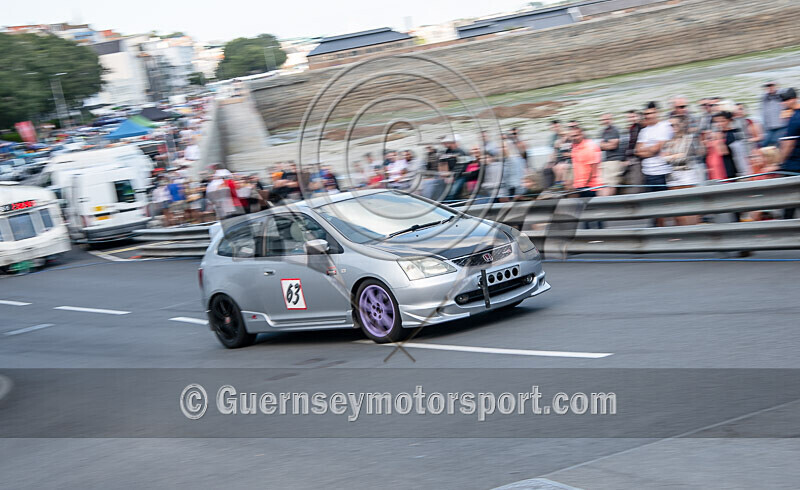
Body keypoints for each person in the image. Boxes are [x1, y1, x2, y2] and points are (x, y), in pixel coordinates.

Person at [635, 102, 673, 193]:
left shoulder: (665, 126)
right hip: (648, 172)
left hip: (662, 172)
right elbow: (637, 151)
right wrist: (650, 149)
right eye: (645, 114)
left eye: (650, 113)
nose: (647, 116)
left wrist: (645, 149)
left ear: (657, 112)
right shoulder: (643, 131)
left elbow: (656, 149)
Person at [778, 88, 800, 219]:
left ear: (793, 99)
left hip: (793, 165)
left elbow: (789, 145)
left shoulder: (795, 118)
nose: (783, 103)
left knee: (789, 199)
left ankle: (786, 225)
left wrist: (780, 162)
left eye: (785, 100)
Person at [598, 113, 624, 196]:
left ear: (611, 119)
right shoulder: (604, 132)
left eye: (607, 119)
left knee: (610, 185)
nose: (605, 121)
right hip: (606, 161)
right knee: (603, 185)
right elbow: (600, 146)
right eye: (603, 120)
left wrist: (604, 144)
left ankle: (606, 203)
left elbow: (613, 145)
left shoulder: (614, 130)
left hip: (614, 161)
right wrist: (605, 144)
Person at [761, 81, 786, 147]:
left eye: (771, 85)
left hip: (781, 127)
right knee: (764, 145)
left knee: (778, 145)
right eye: (768, 86)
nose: (770, 87)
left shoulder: (782, 95)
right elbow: (763, 114)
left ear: (776, 86)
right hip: (769, 128)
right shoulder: (764, 98)